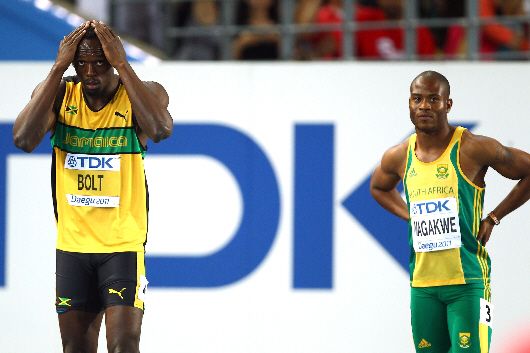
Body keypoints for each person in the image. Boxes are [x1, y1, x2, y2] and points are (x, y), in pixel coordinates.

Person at [13, 21, 173, 352]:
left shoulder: (143, 94)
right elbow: (24, 139)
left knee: (123, 345)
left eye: (100, 62)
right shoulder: (59, 95)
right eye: (81, 62)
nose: (89, 72)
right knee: (76, 349)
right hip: (73, 247)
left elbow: (158, 129)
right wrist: (58, 66)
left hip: (122, 247)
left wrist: (124, 65)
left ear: (113, 60)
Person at [370, 70, 530, 352]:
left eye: (434, 99)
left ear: (448, 104)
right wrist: (411, 215)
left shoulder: (472, 148)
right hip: (422, 286)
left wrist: (494, 218)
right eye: (417, 99)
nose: (424, 106)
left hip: (467, 284)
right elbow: (379, 188)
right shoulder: (399, 155)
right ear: (409, 103)